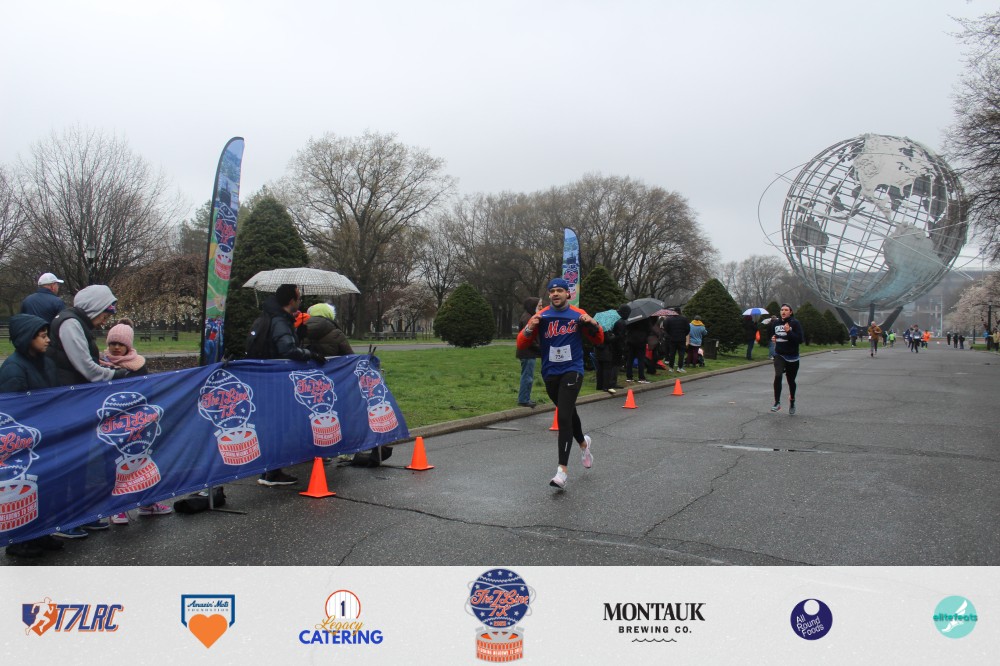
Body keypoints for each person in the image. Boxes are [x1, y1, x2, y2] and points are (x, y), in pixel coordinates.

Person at [45, 285, 127, 537]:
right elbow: (85, 367)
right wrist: (113, 374)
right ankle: (63, 519)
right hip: (68, 404)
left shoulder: (76, 323)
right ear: (94, 307)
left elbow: (81, 360)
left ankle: (79, 514)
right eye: (105, 314)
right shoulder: (70, 324)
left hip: (74, 401)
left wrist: (102, 365)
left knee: (79, 461)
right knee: (68, 462)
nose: (105, 321)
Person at [517, 277, 603, 490]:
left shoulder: (577, 314)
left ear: (568, 294)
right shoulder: (542, 316)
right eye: (552, 291)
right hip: (550, 372)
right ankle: (583, 443)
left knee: (563, 416)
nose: (555, 294)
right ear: (549, 295)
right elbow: (521, 343)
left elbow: (599, 339)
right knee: (568, 412)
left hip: (573, 369)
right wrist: (530, 327)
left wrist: (592, 323)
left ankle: (562, 471)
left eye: (559, 290)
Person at [0, 314, 65, 558]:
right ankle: (19, 540)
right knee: (23, 489)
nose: (48, 340)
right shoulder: (13, 368)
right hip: (25, 441)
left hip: (47, 434)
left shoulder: (46, 362)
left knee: (46, 487)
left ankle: (41, 532)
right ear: (28, 338)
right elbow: (12, 410)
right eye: (42, 336)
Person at [99, 320, 173, 525]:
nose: (116, 347)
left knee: (142, 463)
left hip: (136, 424)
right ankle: (118, 508)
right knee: (115, 466)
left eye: (120, 344)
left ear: (128, 345)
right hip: (113, 425)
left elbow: (146, 392)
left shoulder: (138, 365)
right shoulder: (100, 365)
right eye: (112, 343)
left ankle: (147, 502)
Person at [256, 283, 327, 486]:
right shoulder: (279, 320)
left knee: (275, 424)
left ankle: (270, 469)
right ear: (291, 300)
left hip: (270, 379)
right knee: (279, 425)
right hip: (278, 381)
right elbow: (286, 349)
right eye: (298, 298)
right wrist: (310, 354)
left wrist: (298, 334)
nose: (300, 301)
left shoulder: (274, 317)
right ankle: (272, 472)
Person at [769, 303, 804, 415]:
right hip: (779, 354)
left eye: (786, 310)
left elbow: (800, 340)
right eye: (782, 310)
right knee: (778, 375)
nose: (783, 312)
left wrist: (789, 331)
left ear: (790, 312)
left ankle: (792, 400)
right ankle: (777, 402)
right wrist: (774, 338)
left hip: (792, 356)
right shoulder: (776, 323)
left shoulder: (795, 323)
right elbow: (774, 335)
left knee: (791, 381)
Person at [514, 297, 542, 407]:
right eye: (539, 306)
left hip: (527, 352)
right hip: (527, 352)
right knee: (527, 376)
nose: (541, 308)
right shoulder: (528, 319)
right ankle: (524, 400)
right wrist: (540, 349)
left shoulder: (529, 316)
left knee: (527, 375)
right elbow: (529, 338)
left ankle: (525, 398)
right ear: (533, 306)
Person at [624, 314, 652, 384]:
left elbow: (627, 327)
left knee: (630, 359)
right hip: (641, 340)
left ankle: (629, 377)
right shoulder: (645, 318)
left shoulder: (630, 317)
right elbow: (649, 329)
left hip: (631, 340)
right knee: (641, 359)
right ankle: (641, 377)